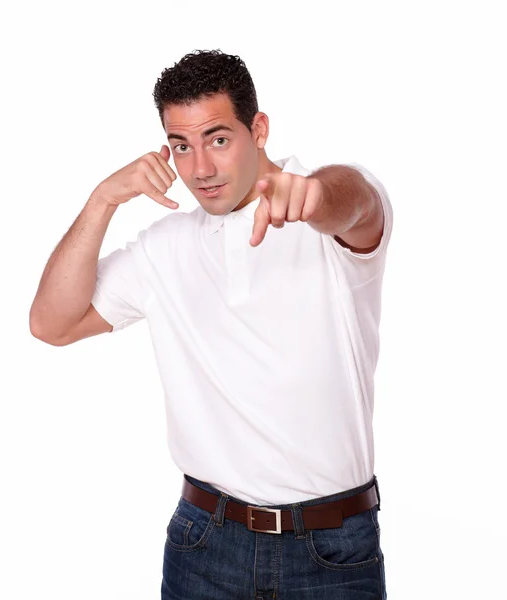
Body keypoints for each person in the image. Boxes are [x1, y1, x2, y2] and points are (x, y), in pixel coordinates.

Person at [30, 49, 392, 599]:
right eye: (181, 145)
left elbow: (359, 206)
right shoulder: (165, 248)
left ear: (259, 129)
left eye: (218, 139)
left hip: (332, 549)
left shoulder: (323, 210)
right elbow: (50, 324)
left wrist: (316, 195)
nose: (198, 168)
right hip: (205, 545)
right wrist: (103, 200)